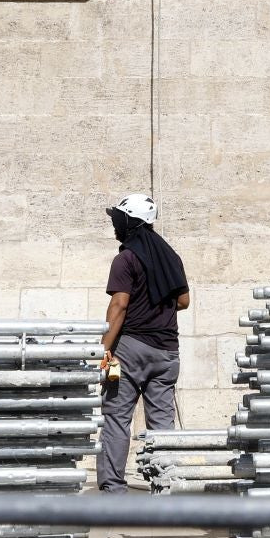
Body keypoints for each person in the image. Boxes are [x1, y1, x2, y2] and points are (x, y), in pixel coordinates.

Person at [97, 192, 190, 493]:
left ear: (130, 221)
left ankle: (113, 490)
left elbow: (119, 306)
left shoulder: (126, 258)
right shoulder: (171, 256)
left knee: (116, 417)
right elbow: (184, 301)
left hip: (130, 350)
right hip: (167, 353)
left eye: (119, 219)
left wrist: (104, 349)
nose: (115, 225)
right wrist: (156, 307)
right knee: (162, 424)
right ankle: (165, 489)